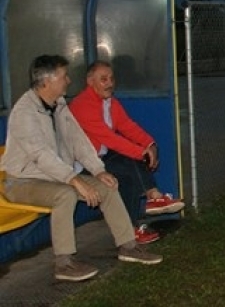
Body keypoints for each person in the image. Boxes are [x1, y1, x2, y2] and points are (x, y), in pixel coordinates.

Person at [0, 55, 161, 282]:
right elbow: (41, 156)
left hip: (55, 176)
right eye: (63, 76)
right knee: (64, 194)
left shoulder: (59, 105)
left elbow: (78, 141)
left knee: (108, 185)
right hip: (21, 181)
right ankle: (64, 263)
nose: (68, 81)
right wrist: (75, 180)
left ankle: (129, 247)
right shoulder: (24, 112)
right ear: (47, 81)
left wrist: (98, 170)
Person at [69, 60, 185, 244]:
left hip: (101, 156)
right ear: (90, 82)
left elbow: (127, 126)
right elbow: (109, 138)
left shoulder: (110, 102)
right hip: (84, 164)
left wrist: (150, 144)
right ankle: (153, 197)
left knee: (130, 173)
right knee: (131, 160)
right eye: (103, 79)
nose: (109, 83)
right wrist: (142, 153)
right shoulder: (83, 105)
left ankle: (133, 229)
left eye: (111, 78)